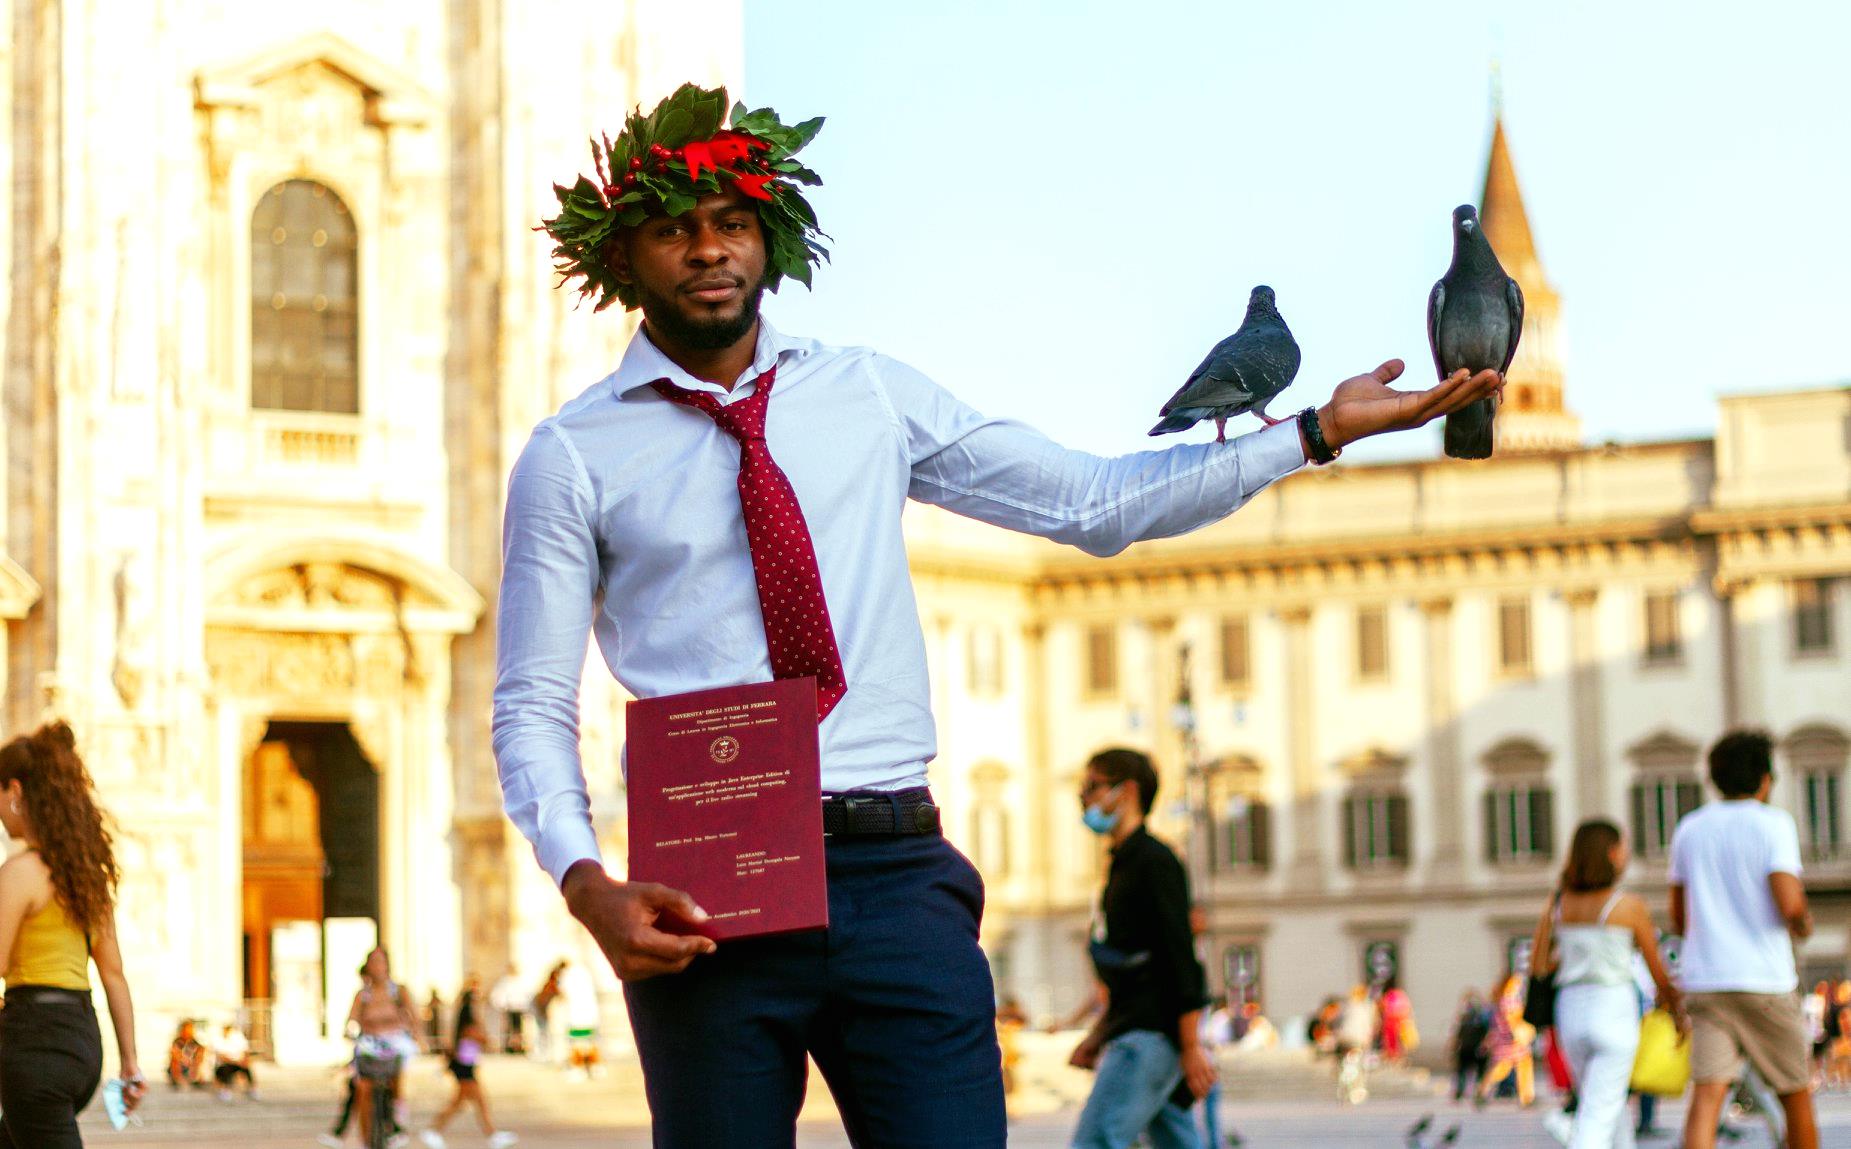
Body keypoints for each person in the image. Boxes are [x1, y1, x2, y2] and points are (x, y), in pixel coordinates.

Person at [494, 83, 1502, 1148]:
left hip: (894, 872)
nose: (709, 250)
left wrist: (1311, 432)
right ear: (622, 259)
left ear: (770, 236)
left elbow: (1092, 502)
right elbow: (529, 703)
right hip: (705, 893)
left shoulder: (866, 396)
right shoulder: (574, 456)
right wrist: (585, 880)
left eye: (733, 222)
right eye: (673, 228)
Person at [1670, 730, 1820, 1149]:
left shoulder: (1690, 828)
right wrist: (1804, 923)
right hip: (1764, 981)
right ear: (1765, 779)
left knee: (1708, 1094)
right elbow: (1789, 904)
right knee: (1795, 1093)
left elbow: (1680, 917)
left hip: (1707, 981)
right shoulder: (1774, 823)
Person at [0, 720, 145, 1147]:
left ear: (16, 792)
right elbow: (114, 975)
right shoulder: (85, 878)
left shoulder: (19, 873)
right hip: (82, 1044)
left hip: (34, 1043)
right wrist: (131, 1063)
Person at [1066, 748, 1211, 1148]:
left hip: (1148, 1035)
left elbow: (1178, 955)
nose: (1084, 797)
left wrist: (1192, 1045)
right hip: (1140, 1028)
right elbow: (1130, 970)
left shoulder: (1154, 861)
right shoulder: (1122, 864)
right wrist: (1098, 1033)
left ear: (1127, 791)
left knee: (1094, 1143)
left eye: (1093, 786)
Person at [1529, 819, 1683, 1148]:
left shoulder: (1558, 904)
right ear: (1613, 853)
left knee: (1603, 1104)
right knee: (1598, 1116)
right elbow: (1658, 973)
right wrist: (1677, 1011)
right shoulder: (1629, 907)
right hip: (1613, 1009)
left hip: (1571, 1011)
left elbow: (1539, 964)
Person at [340, 946, 422, 1149]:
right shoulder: (363, 995)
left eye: (381, 961)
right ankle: (367, 1140)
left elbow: (415, 1017)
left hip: (394, 1042)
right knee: (363, 1089)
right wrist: (349, 1033)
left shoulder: (398, 991)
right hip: (370, 1043)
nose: (377, 967)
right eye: (373, 962)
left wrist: (418, 1035)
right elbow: (351, 1019)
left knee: (398, 1072)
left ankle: (396, 1111)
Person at [419, 985, 519, 1149]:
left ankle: (490, 1134)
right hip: (464, 1068)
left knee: (469, 1102)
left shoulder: (464, 1026)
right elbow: (485, 1040)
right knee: (467, 1102)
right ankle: (435, 1130)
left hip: (467, 1066)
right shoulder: (470, 1027)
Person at [1476, 975, 1536, 1108]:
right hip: (1513, 1041)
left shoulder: (1500, 999)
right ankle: (1526, 1097)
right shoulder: (1509, 1000)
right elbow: (1513, 1020)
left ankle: (1483, 1090)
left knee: (1505, 1068)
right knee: (1519, 1067)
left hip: (1503, 1040)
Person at [1450, 990, 1493, 1103]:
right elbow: (1458, 1032)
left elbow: (1487, 1031)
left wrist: (1486, 1043)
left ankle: (1479, 1091)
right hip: (1467, 1047)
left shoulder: (1481, 1016)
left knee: (1475, 1072)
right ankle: (1465, 1091)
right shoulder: (1465, 1017)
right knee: (1463, 1072)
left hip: (1476, 1047)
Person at [211, 1020, 259, 1100]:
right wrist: (237, 1062)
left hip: (237, 1062)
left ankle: (252, 1089)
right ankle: (225, 1090)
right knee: (225, 1070)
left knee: (246, 1068)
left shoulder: (237, 1038)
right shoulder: (218, 1040)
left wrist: (244, 1061)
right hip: (225, 1064)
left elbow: (245, 1051)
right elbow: (222, 1057)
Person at [529, 961, 564, 1063]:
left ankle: (545, 1054)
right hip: (542, 1012)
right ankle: (543, 1054)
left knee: (544, 1033)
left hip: (543, 1011)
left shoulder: (550, 986)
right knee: (543, 1034)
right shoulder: (551, 986)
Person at [489, 964, 527, 1054]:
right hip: (509, 1008)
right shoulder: (505, 981)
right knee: (509, 1028)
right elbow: (498, 995)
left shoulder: (520, 981)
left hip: (518, 1008)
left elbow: (525, 995)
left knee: (518, 1029)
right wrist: (503, 1005)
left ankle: (518, 1046)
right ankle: (509, 1046)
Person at [1380, 977, 1417, 1066]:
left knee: (1392, 1045)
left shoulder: (1388, 996)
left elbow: (1384, 1010)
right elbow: (1408, 1010)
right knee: (1401, 1045)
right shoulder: (1402, 995)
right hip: (1403, 1023)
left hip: (1391, 1024)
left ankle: (1394, 1061)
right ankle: (1400, 1061)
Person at [168, 1018, 208, 1089]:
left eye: (190, 1029)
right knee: (175, 1061)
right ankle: (178, 1079)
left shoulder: (194, 1041)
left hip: (191, 1064)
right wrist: (184, 1059)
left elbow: (200, 1051)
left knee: (199, 1060)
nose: (189, 1031)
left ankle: (195, 1078)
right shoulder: (178, 1041)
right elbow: (174, 1054)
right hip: (181, 1064)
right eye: (187, 1029)